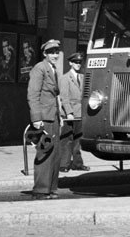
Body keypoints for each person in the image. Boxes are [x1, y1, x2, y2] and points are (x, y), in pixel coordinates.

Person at [26, 39, 64, 199]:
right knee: (44, 152)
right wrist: (36, 118)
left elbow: (55, 95)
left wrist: (61, 116)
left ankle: (51, 189)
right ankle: (41, 190)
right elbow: (33, 94)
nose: (55, 55)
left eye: (56, 52)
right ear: (44, 53)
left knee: (55, 154)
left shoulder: (53, 69)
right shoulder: (40, 68)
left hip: (53, 116)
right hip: (44, 118)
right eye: (51, 52)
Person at [58, 51, 89, 172]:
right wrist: (69, 113)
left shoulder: (83, 77)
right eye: (75, 62)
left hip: (80, 113)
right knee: (67, 139)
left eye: (80, 62)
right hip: (69, 113)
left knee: (78, 139)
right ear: (70, 63)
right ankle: (63, 164)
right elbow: (64, 97)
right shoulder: (65, 78)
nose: (78, 64)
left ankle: (77, 163)